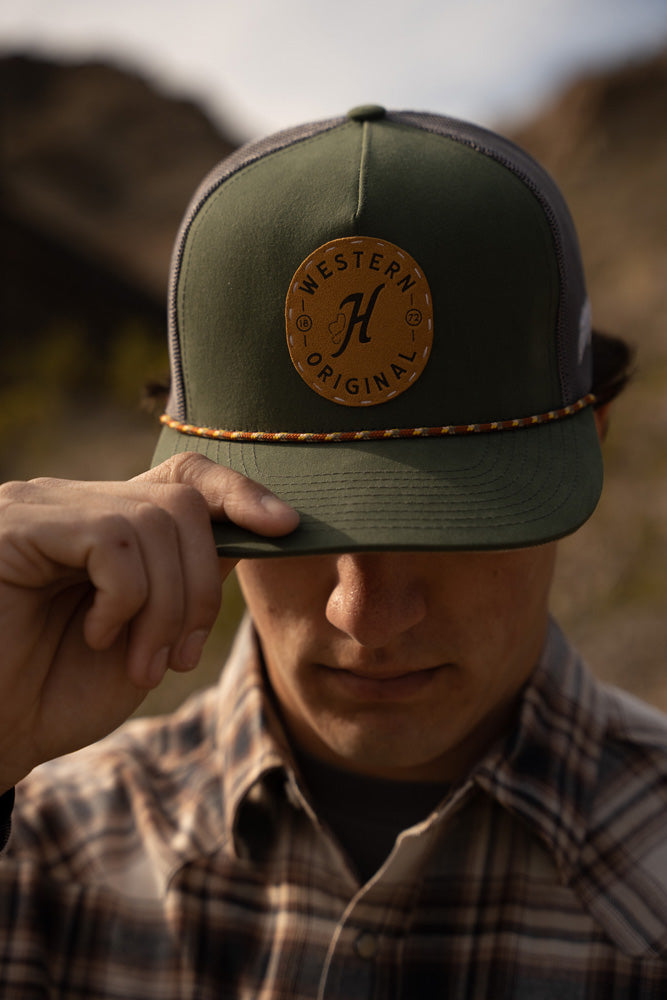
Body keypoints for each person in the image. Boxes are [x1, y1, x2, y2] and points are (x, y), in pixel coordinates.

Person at [0, 105, 660, 998]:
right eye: (292, 521)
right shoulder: (40, 844)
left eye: (454, 519)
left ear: (594, 438)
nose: (367, 614)